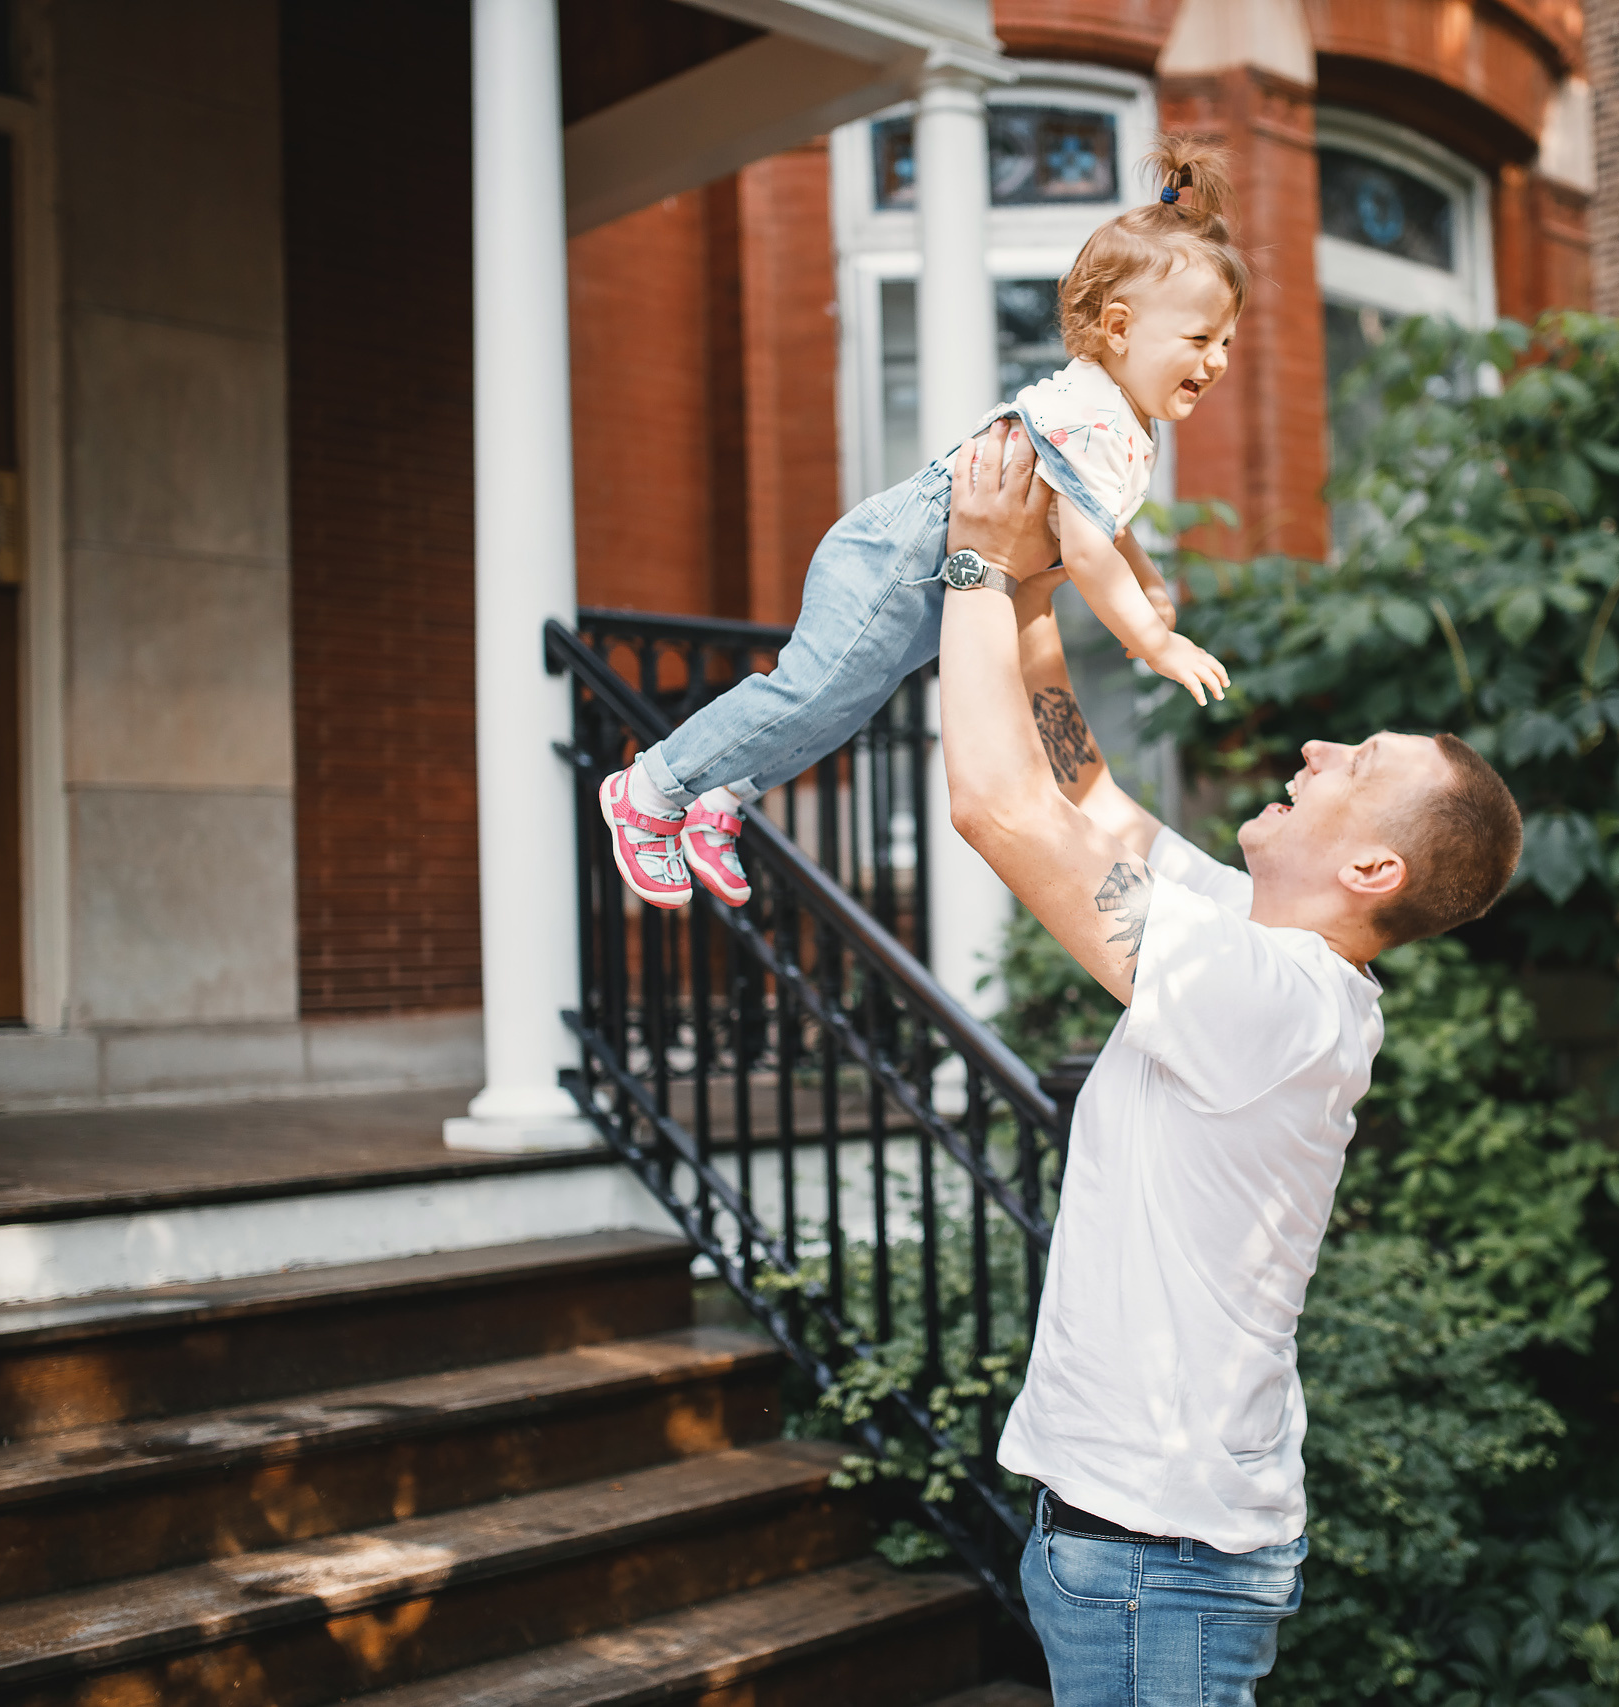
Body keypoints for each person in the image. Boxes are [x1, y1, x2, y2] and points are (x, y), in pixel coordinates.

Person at [936, 421, 1526, 1704]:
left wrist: (974, 566)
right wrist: (1039, 584)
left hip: (1159, 1563)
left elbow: (991, 803)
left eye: (1353, 766)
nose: (1313, 750)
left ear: (1375, 870)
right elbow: (1076, 782)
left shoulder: (1268, 1001)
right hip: (1126, 1547)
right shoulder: (1250, 949)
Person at [592, 137, 1243, 913]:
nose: (1219, 360)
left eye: (1228, 341)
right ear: (1120, 327)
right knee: (808, 692)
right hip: (894, 559)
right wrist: (1153, 638)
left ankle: (720, 795)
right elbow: (1087, 550)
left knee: (841, 706)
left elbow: (1103, 523)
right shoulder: (1095, 415)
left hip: (930, 584)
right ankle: (651, 786)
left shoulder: (1126, 424)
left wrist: (1151, 577)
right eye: (1201, 339)